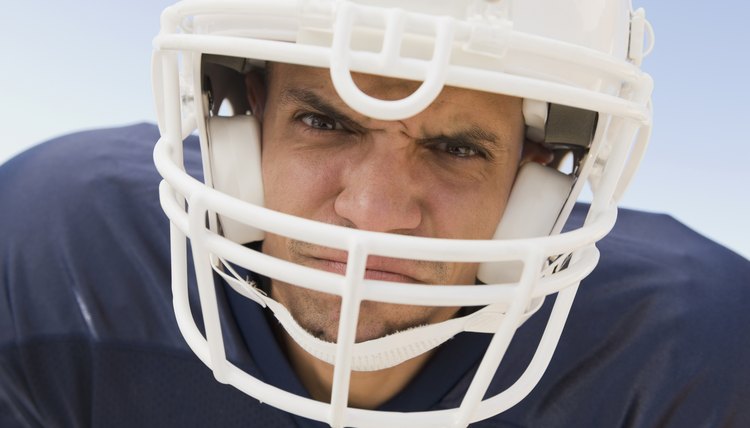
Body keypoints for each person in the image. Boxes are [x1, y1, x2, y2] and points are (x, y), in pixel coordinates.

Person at [1, 0, 749, 427]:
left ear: (540, 186)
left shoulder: (689, 365)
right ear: (237, 126)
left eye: (457, 148)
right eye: (326, 123)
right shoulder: (55, 257)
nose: (374, 211)